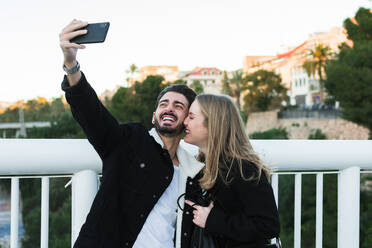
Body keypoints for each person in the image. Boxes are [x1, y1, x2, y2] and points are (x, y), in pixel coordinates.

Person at [59, 19, 204, 248]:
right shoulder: (130, 142)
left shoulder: (194, 171)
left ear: (188, 119)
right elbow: (91, 112)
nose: (169, 108)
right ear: (154, 115)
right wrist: (71, 64)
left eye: (178, 106)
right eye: (164, 104)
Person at [182, 94, 280, 248]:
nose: (185, 122)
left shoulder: (244, 169)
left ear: (213, 124)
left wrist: (213, 221)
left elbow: (268, 225)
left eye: (191, 117)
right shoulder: (201, 166)